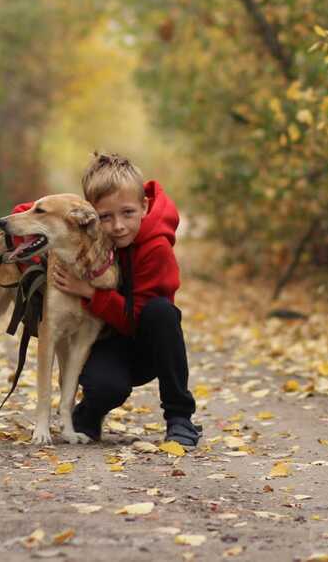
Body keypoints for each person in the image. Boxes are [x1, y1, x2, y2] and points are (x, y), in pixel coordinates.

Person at [49, 152, 201, 447]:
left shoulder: (156, 247)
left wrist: (90, 293)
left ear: (144, 206)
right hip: (107, 341)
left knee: (162, 312)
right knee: (107, 386)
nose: (118, 226)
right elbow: (42, 211)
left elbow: (137, 318)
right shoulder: (91, 235)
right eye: (106, 217)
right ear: (90, 215)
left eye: (127, 213)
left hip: (147, 343)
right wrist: (27, 217)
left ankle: (180, 418)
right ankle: (89, 415)